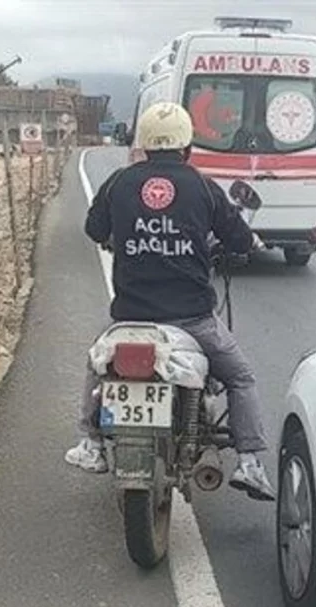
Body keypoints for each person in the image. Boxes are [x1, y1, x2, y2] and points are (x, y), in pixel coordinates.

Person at [65, 101, 275, 502]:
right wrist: (241, 245)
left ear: (142, 143)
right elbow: (238, 239)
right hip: (192, 317)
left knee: (97, 363)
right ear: (187, 146)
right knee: (241, 377)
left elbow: (95, 229)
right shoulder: (202, 187)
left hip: (131, 316)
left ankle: (91, 443)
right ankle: (249, 462)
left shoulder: (119, 183)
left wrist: (121, 237)